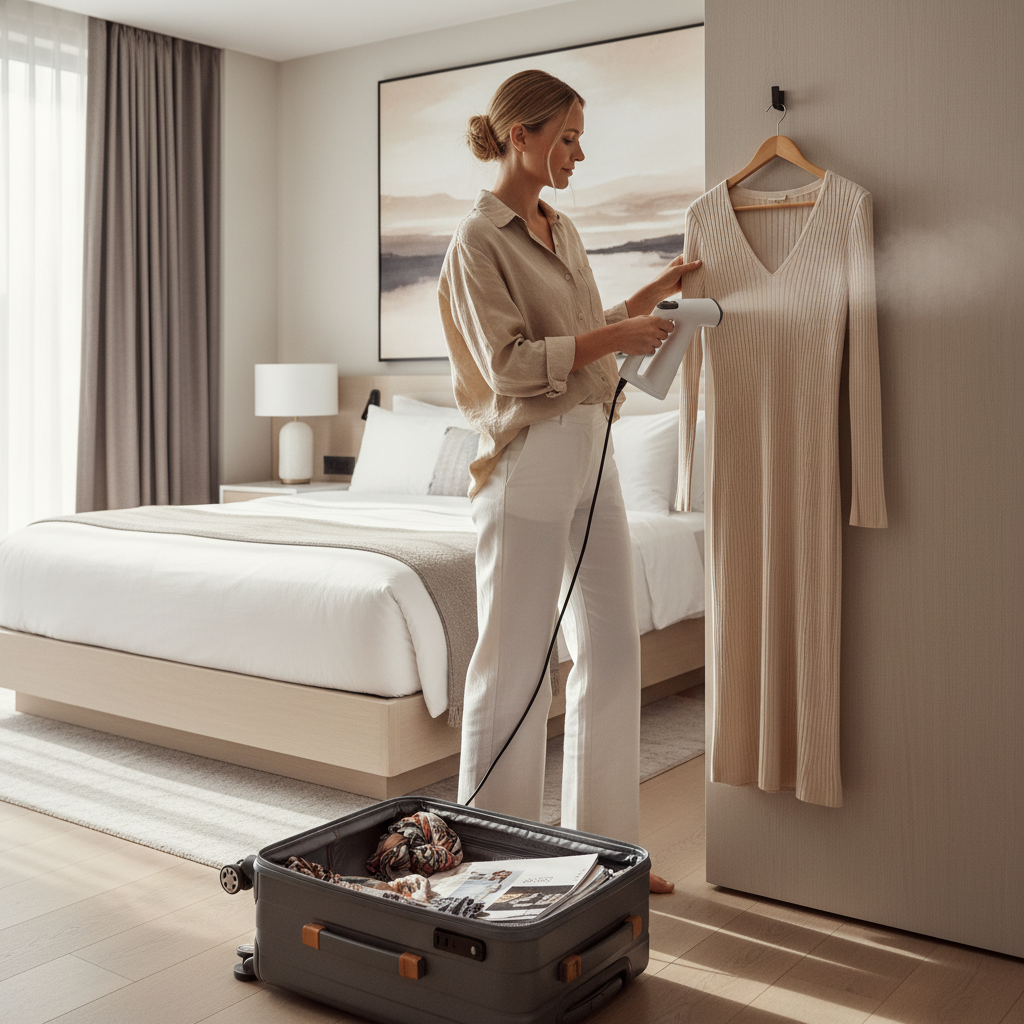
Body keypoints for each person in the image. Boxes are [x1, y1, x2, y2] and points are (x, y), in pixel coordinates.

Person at [438, 69, 701, 895]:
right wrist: (616, 331)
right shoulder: (477, 242)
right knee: (514, 663)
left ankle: (606, 855)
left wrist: (642, 301)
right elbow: (512, 368)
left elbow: (586, 335)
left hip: (596, 447)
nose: (578, 154)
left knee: (612, 649)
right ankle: (491, 861)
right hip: (529, 461)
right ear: (521, 134)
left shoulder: (565, 229)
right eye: (568, 138)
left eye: (581, 140)